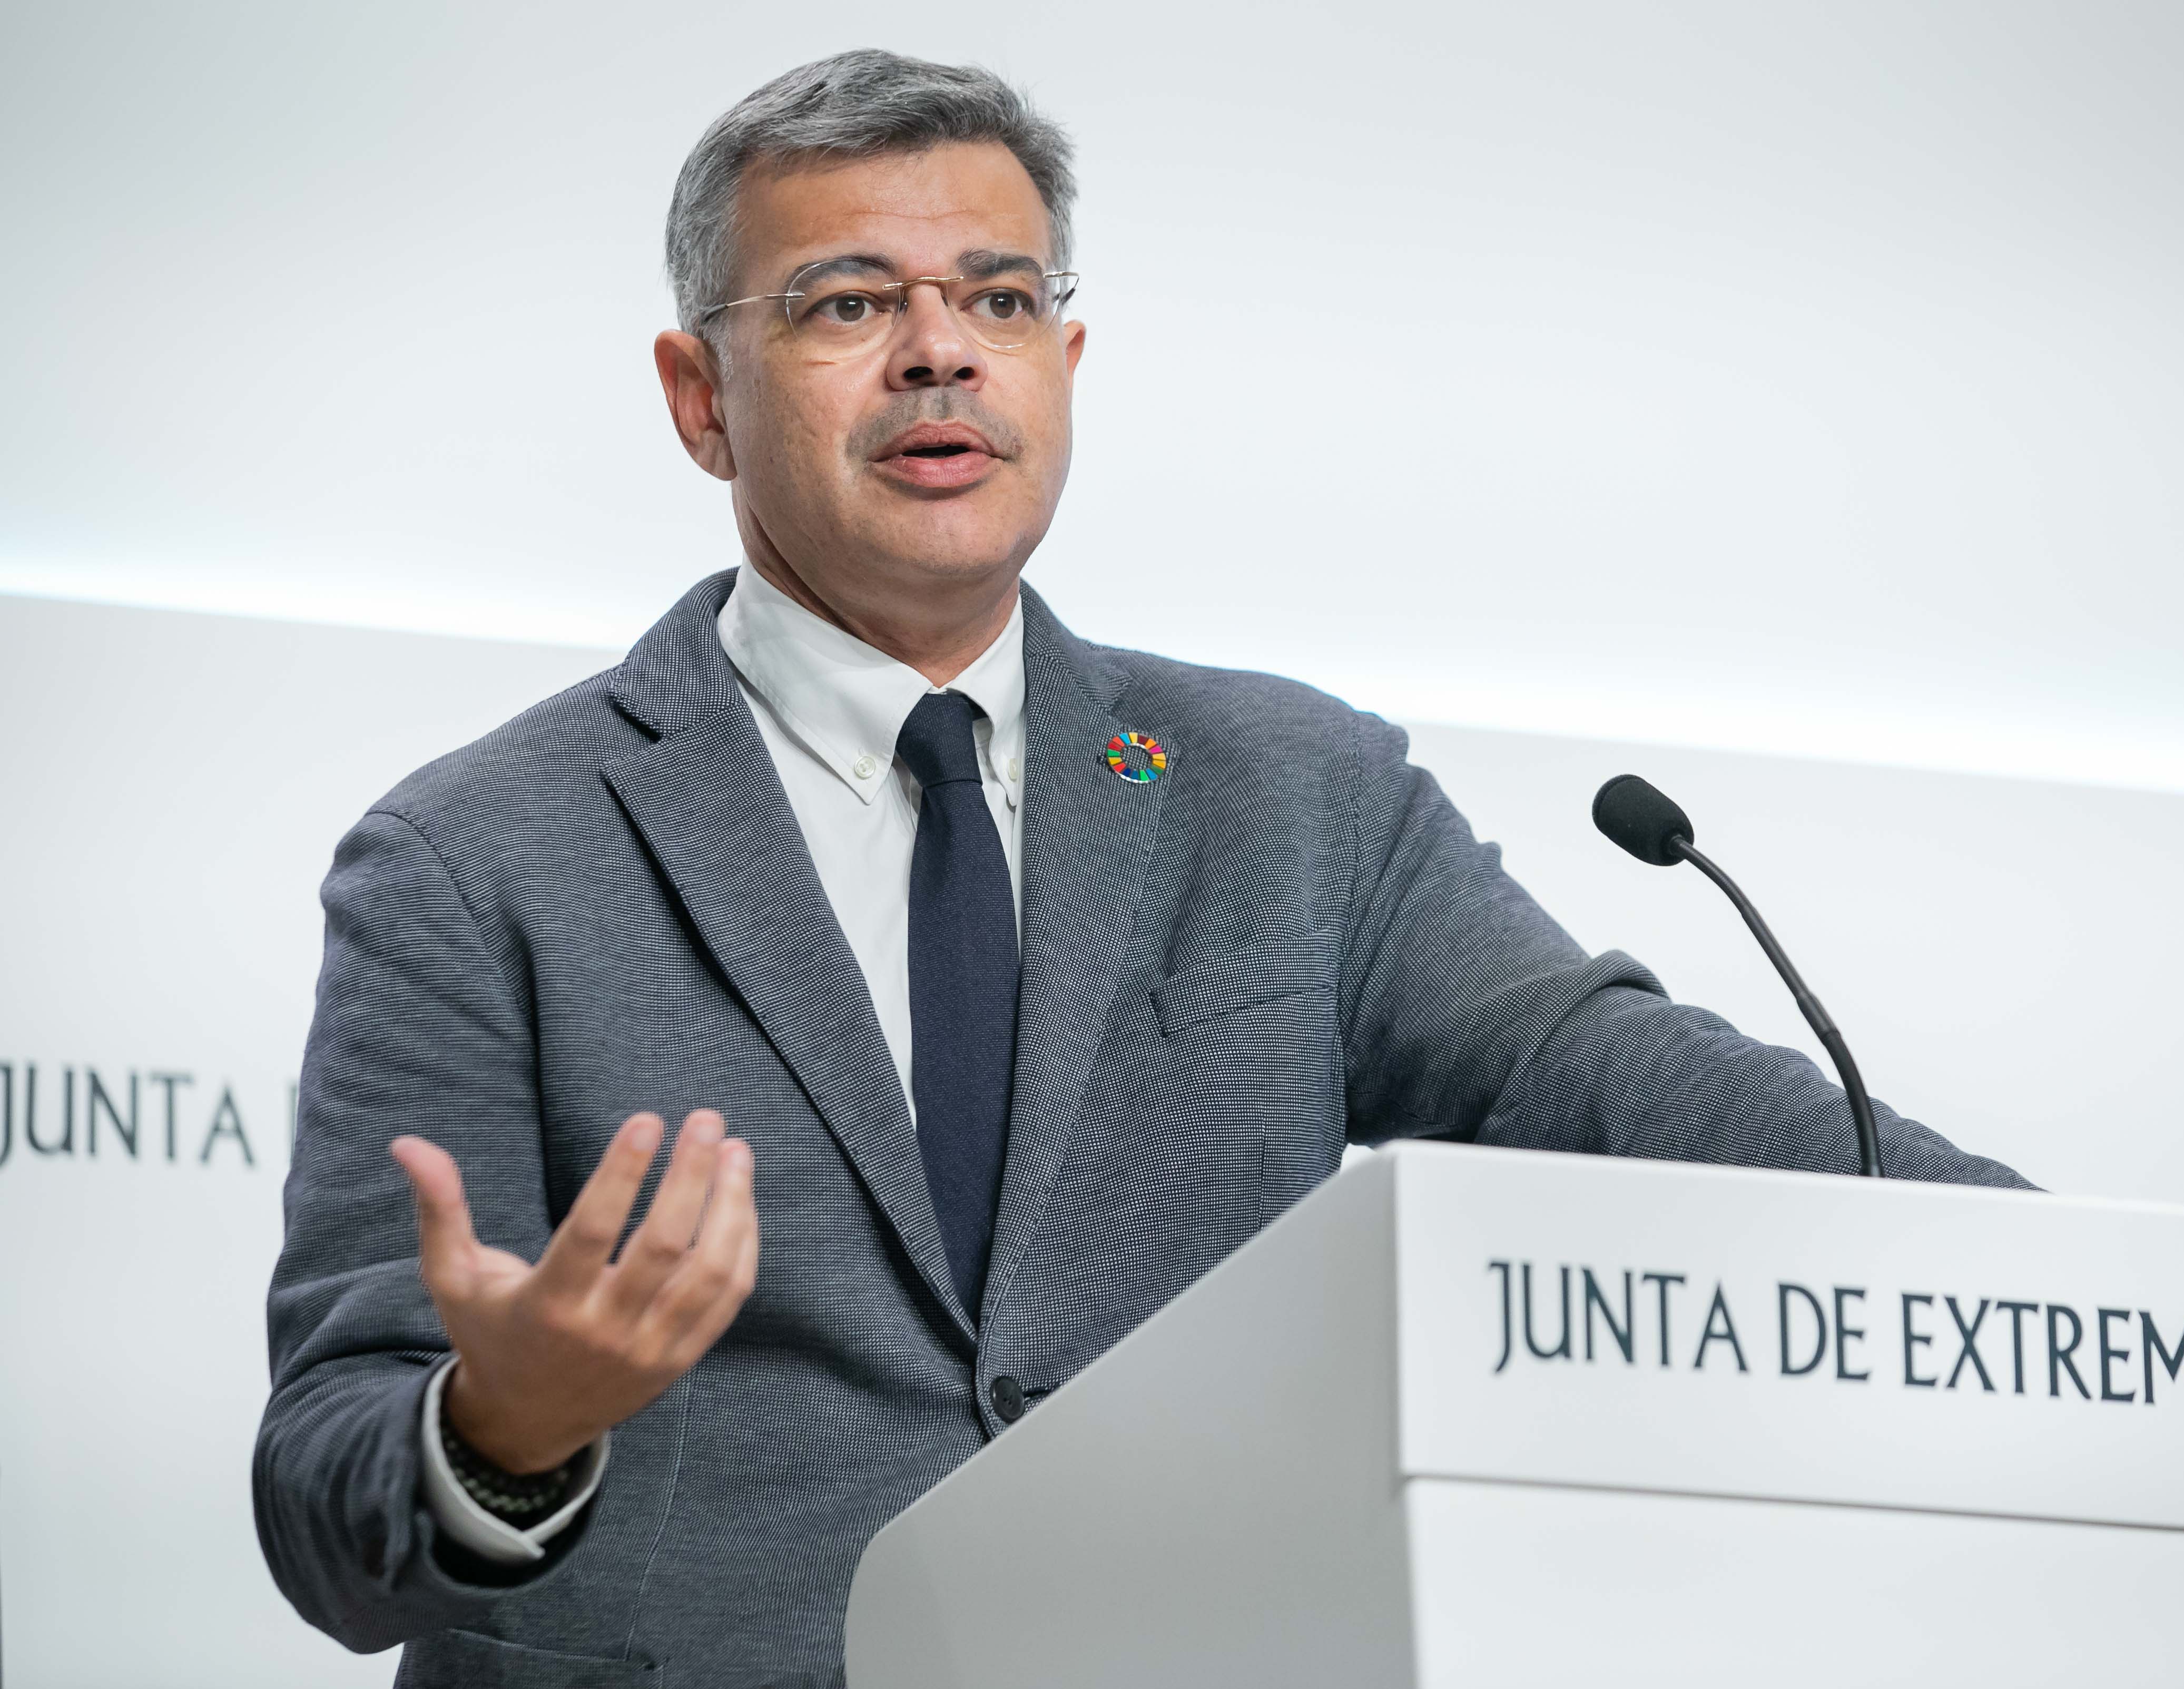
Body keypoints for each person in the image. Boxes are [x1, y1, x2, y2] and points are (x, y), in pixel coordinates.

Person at [254, 47, 2025, 1686]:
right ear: (699, 398)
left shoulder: (1294, 793)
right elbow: (329, 1508)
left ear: (1064, 368)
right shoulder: (475, 856)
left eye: (1000, 301)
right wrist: (504, 1424)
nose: (939, 352)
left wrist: (2054, 1278)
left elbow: (1611, 1083)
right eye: (848, 303)